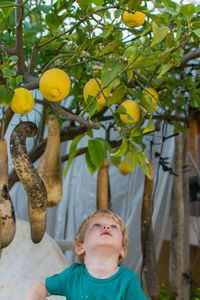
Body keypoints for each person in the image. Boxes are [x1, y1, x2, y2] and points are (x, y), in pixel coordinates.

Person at [25, 209, 148, 299]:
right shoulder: (73, 276)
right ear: (80, 247)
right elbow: (42, 285)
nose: (106, 227)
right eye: (96, 226)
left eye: (114, 227)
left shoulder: (127, 281)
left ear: (123, 250)